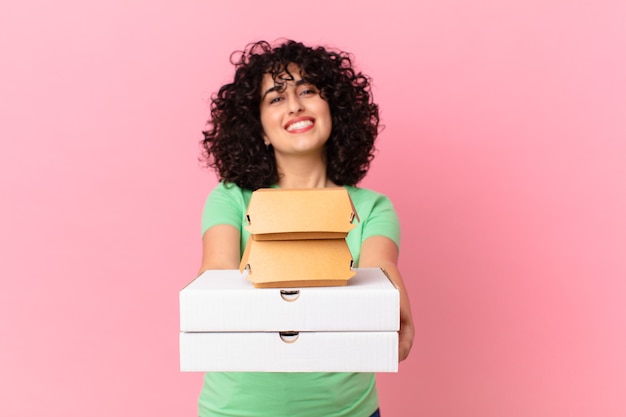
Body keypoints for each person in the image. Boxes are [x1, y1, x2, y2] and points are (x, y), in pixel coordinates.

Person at [197, 39, 414, 417]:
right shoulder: (231, 199)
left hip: (348, 411)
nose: (295, 104)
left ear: (334, 110)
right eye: (275, 98)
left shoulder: (372, 207)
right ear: (259, 130)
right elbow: (216, 280)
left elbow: (382, 278)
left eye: (308, 90)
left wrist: (392, 306)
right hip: (237, 410)